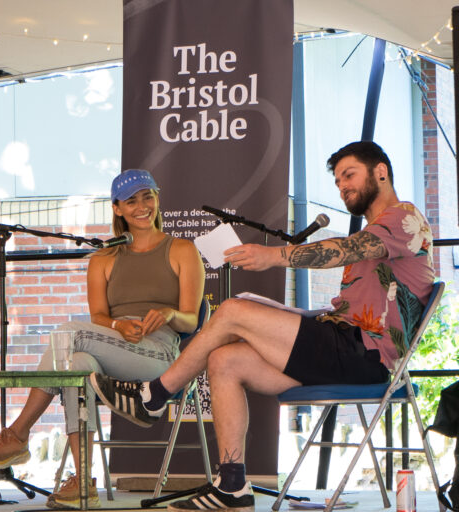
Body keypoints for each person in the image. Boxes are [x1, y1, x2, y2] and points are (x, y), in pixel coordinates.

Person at [91, 141, 434, 511]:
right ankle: (232, 485)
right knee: (224, 359)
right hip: (343, 348)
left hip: (367, 357)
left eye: (349, 175)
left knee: (234, 310)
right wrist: (293, 314)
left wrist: (272, 256)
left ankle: (155, 395)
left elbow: (346, 250)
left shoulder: (403, 218)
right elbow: (352, 307)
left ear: (380, 171)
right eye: (337, 181)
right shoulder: (379, 229)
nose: (342, 186)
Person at [0, 169, 205, 508]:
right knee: (76, 363)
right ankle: (83, 482)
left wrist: (168, 314)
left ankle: (18, 434)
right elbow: (99, 319)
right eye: (131, 200)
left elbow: (191, 319)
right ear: (117, 209)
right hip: (113, 346)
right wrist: (118, 327)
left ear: (157, 198)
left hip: (160, 358)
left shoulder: (182, 249)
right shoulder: (103, 258)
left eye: (147, 196)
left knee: (67, 333)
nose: (142, 206)